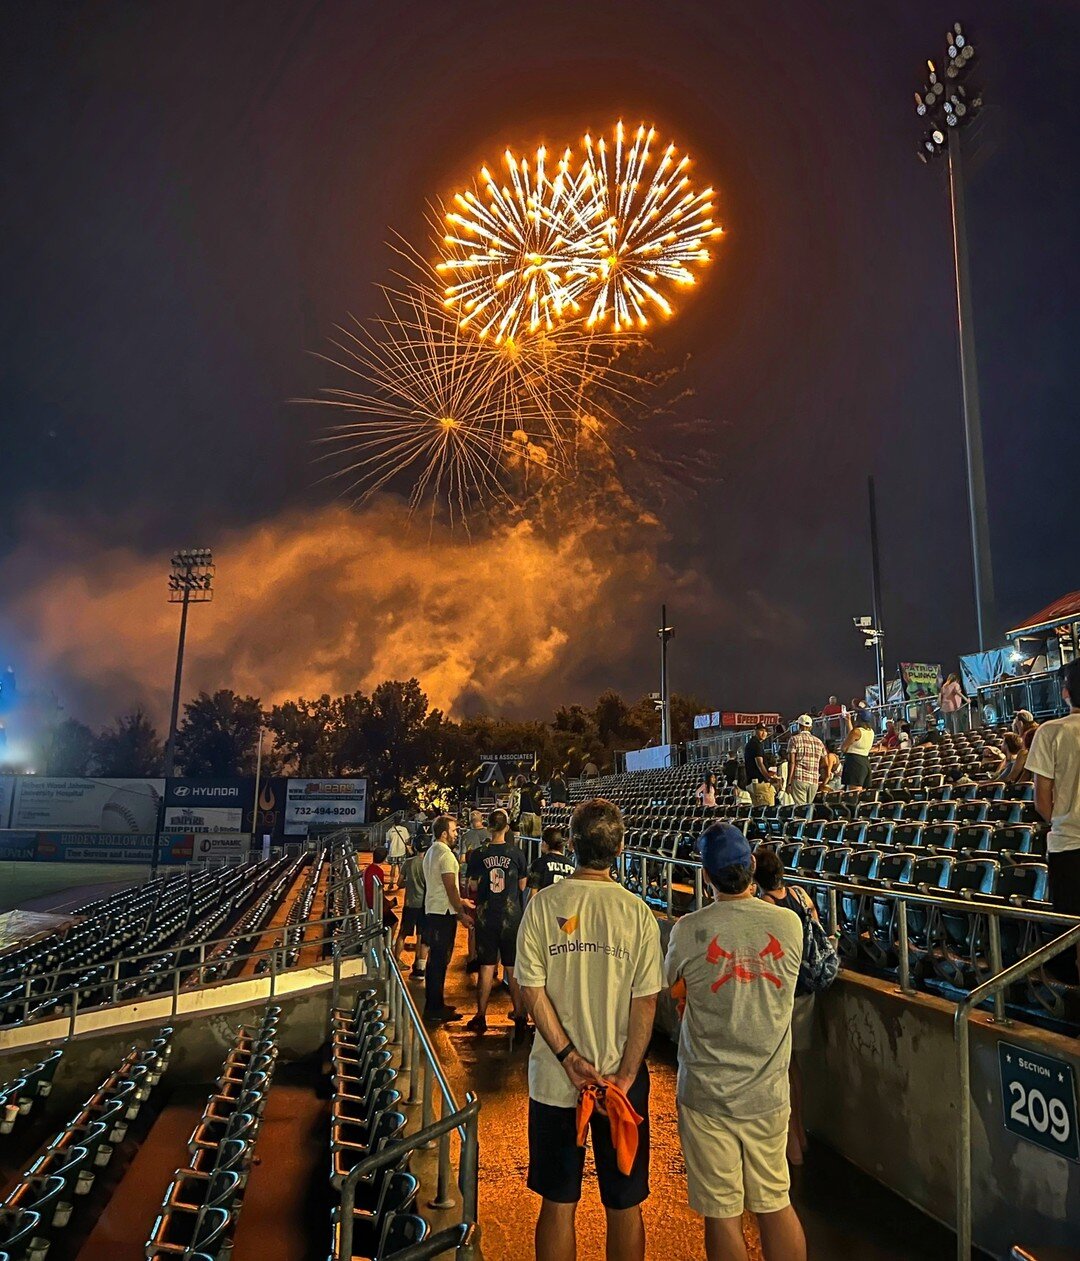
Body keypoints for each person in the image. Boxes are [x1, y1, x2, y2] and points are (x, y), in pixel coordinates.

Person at [516, 798, 664, 1261]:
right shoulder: (637, 913)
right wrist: (623, 1076)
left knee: (558, 1203)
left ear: (572, 845)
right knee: (624, 1203)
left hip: (556, 1083)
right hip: (622, 1086)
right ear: (619, 847)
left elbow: (530, 994)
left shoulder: (543, 906)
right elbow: (646, 1003)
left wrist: (568, 1059)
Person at [665, 825, 806, 1261]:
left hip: (708, 1093)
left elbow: (673, 990)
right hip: (767, 1092)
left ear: (706, 877)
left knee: (722, 1213)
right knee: (774, 1200)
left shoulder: (690, 930)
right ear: (751, 869)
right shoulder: (788, 923)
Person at [754, 848, 819, 1168]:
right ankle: (801, 1136)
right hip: (807, 991)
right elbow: (816, 934)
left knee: (784, 1069)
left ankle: (792, 1144)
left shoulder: (767, 907)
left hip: (784, 994)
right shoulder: (801, 895)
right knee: (795, 1069)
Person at [1026, 661, 1080, 977]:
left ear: (1065, 693)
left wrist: (1062, 818)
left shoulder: (1051, 732)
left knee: (1071, 927)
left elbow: (1042, 800)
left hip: (1068, 845)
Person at [465, 808, 529, 1033]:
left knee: (486, 966)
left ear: (489, 827)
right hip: (510, 916)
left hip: (486, 914)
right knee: (511, 967)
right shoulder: (516, 853)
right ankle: (520, 1014)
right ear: (507, 827)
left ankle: (481, 1015)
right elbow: (522, 886)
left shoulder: (479, 853)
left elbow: (472, 885)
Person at [422, 815, 474, 1024]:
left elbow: (441, 887)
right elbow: (450, 886)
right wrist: (461, 912)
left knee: (435, 961)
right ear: (444, 833)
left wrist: (461, 901)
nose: (456, 834)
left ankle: (435, 1004)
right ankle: (435, 1009)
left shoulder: (431, 852)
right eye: (453, 831)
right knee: (439, 961)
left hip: (433, 909)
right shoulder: (447, 856)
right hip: (443, 914)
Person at [399, 838, 429, 976]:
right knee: (421, 935)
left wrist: (409, 883)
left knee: (403, 934)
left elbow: (400, 883)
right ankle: (419, 964)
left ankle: (395, 960)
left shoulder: (408, 862)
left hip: (410, 904)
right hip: (424, 905)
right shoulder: (428, 864)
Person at [785, 716, 825, 808]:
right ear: (810, 727)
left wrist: (789, 782)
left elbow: (792, 762)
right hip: (814, 780)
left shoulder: (794, 739)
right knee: (809, 809)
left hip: (799, 777)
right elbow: (825, 762)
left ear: (799, 726)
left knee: (800, 809)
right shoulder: (819, 742)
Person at [529, 826, 576, 892]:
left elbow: (533, 892)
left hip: (545, 901)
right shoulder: (571, 865)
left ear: (545, 843)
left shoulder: (539, 863)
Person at [840, 718, 874, 789]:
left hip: (854, 761)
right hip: (865, 760)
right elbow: (853, 735)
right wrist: (848, 721)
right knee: (861, 791)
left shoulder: (856, 731)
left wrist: (845, 749)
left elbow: (843, 748)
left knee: (854, 791)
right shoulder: (871, 731)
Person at [386, 816, 410, 890]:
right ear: (400, 821)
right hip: (401, 851)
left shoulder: (390, 831)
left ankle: (391, 883)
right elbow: (407, 840)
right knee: (401, 868)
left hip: (393, 851)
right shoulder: (404, 829)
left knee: (393, 868)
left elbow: (388, 841)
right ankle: (400, 882)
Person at [519, 774, 545, 839]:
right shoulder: (537, 788)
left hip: (524, 813)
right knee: (535, 837)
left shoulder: (523, 787)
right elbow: (543, 803)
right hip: (534, 814)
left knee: (524, 836)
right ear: (537, 779)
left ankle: (524, 849)